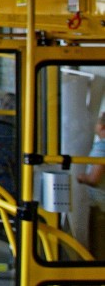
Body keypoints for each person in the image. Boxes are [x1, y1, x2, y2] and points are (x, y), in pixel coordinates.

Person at [76, 111, 105, 259]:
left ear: (102, 127)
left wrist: (81, 177)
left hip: (101, 206)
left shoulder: (102, 148)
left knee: (99, 249)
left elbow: (94, 178)